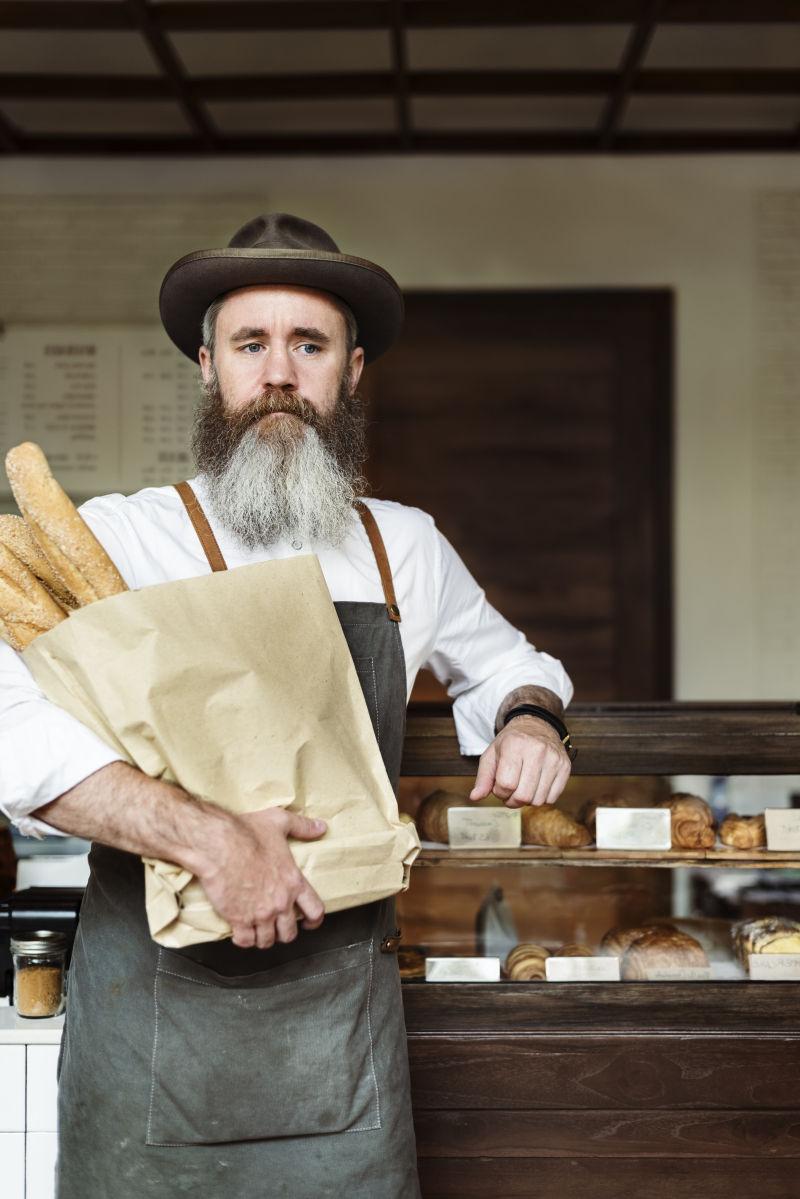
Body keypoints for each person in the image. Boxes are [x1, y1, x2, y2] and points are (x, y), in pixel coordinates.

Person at [0, 213, 573, 1198]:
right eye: (250, 344)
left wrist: (527, 714)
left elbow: (508, 664)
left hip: (343, 1046)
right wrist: (212, 841)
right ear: (205, 364)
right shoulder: (119, 540)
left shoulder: (406, 548)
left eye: (308, 345)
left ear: (350, 371)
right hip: (148, 1034)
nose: (278, 373)